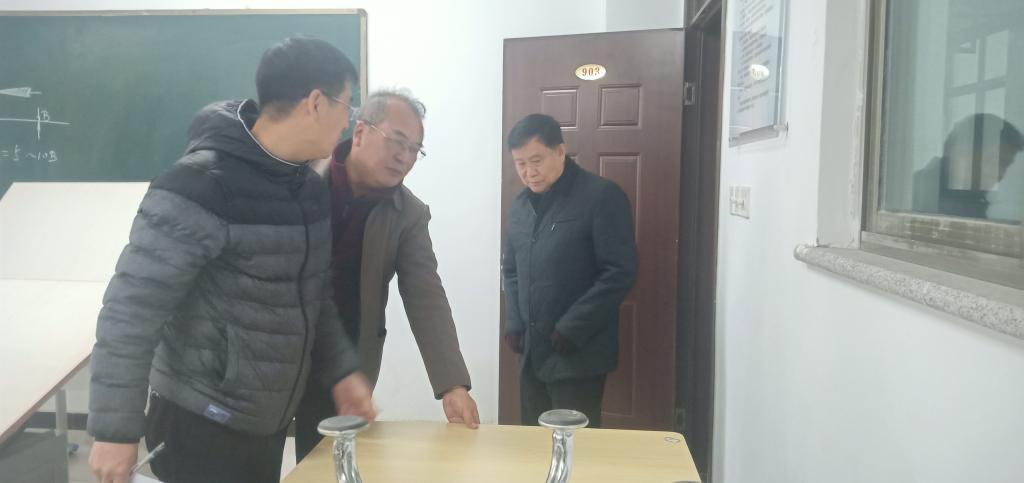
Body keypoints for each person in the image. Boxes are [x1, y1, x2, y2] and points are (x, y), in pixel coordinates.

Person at [87, 35, 376, 483]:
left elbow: (313, 296)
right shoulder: (199, 185)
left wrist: (342, 372)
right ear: (316, 103)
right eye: (347, 105)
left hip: (266, 422)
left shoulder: (307, 190)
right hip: (198, 422)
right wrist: (114, 431)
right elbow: (132, 311)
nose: (348, 120)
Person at [295, 89, 478, 461]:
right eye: (397, 141)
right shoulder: (298, 181)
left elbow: (426, 295)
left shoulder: (408, 213)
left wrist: (453, 384)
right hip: (276, 354)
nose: (404, 157)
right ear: (361, 132)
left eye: (414, 149)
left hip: (346, 364)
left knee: (329, 465)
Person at [501, 113, 638, 428]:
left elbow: (619, 271)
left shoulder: (601, 196)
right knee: (532, 444)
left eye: (536, 160)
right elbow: (511, 270)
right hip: (531, 354)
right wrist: (514, 323)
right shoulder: (520, 206)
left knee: (576, 446)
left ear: (560, 151)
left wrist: (572, 328)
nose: (528, 172)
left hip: (578, 353)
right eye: (520, 164)